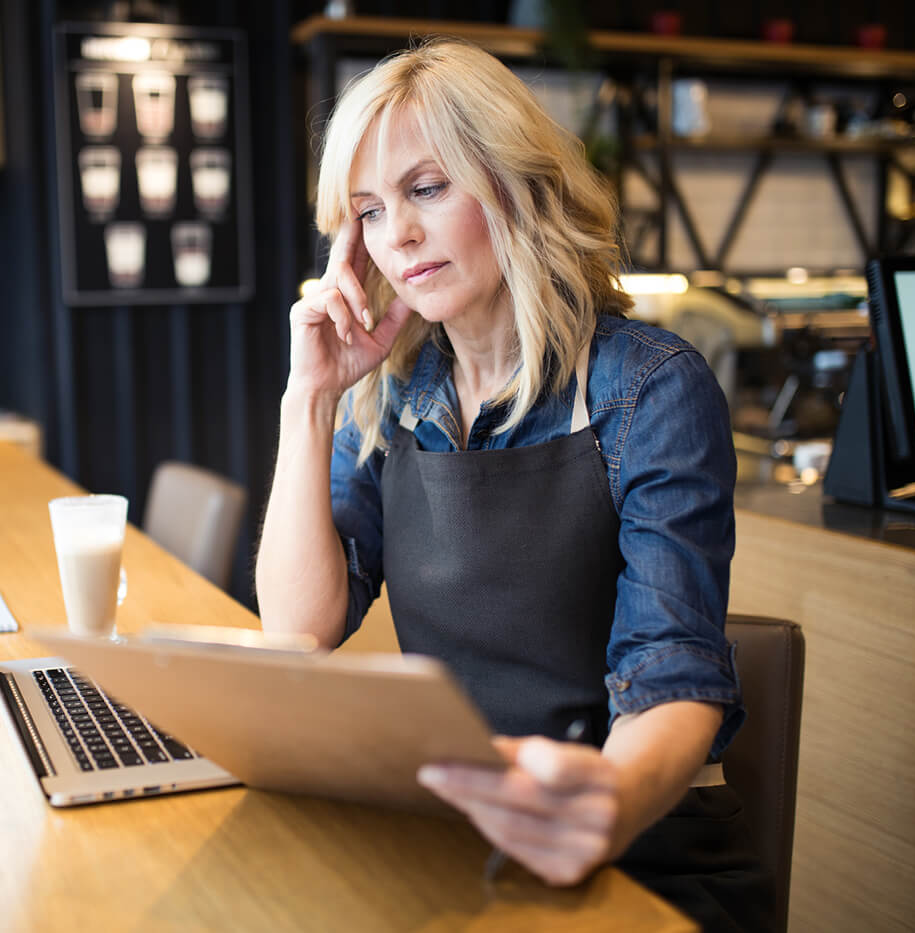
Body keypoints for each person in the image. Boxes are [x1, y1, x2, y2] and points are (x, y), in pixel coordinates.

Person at [254, 38, 772, 932]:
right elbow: (300, 625)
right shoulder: (396, 389)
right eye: (370, 212)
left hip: (631, 848)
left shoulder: (650, 388)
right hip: (455, 835)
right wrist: (312, 396)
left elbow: (672, 669)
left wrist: (606, 799)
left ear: (515, 185)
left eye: (426, 189)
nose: (399, 236)